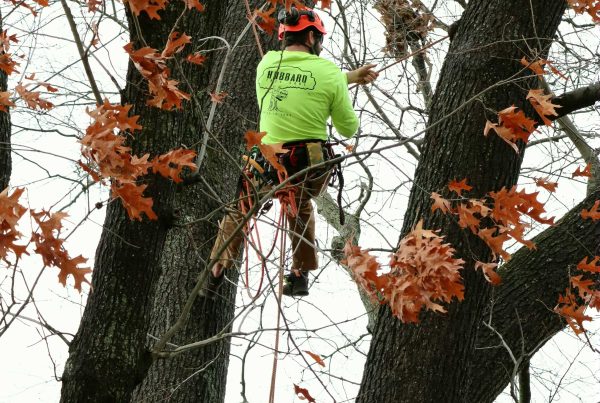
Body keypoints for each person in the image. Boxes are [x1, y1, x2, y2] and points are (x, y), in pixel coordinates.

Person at [202, 6, 378, 299]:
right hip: (308, 160)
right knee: (301, 204)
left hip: (267, 160)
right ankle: (300, 273)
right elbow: (347, 128)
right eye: (319, 39)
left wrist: (347, 78)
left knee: (241, 208)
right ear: (311, 37)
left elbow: (298, 78)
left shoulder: (266, 64)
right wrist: (343, 85)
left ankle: (217, 268)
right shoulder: (330, 73)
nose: (320, 44)